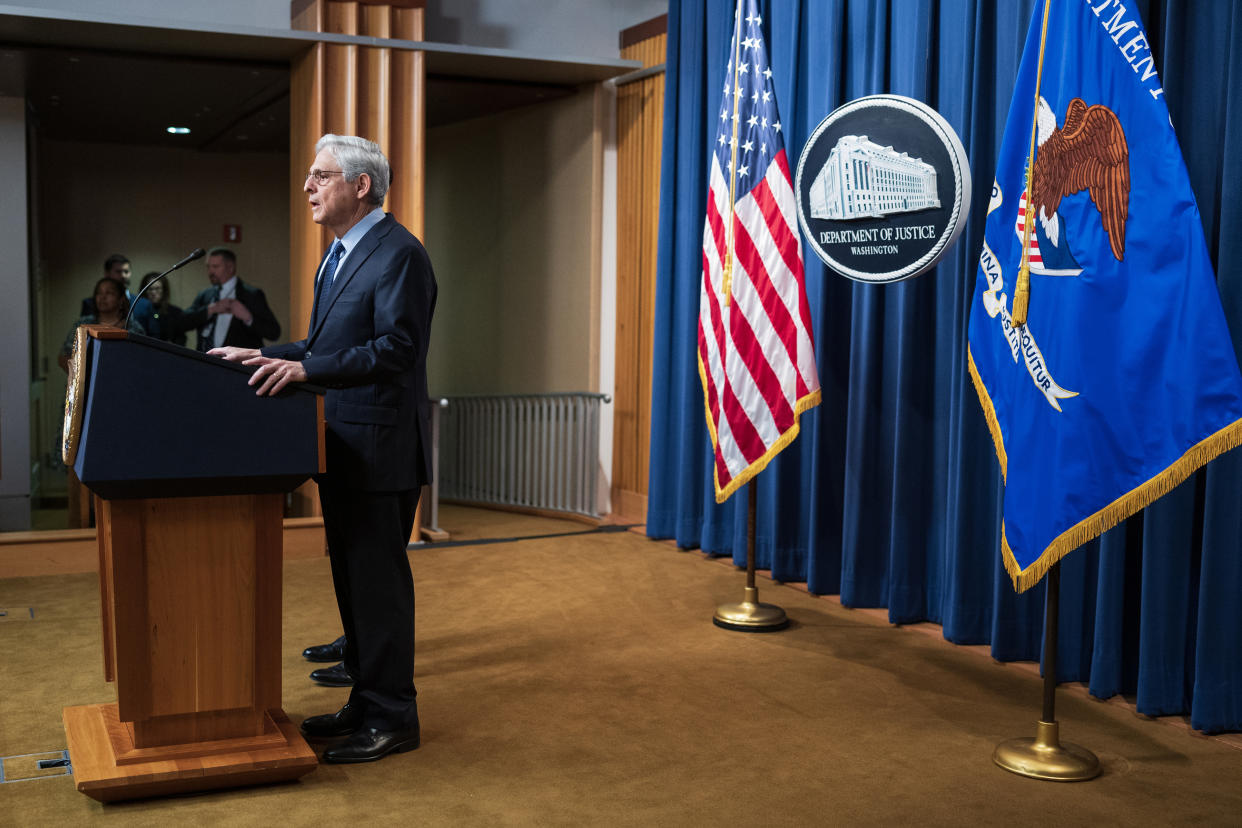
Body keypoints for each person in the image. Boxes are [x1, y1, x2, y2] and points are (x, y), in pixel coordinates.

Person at [211, 134, 436, 764]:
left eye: (320, 176)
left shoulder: (400, 255)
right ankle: (365, 703)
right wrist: (268, 354)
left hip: (380, 445)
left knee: (379, 589)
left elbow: (396, 352)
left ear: (360, 185)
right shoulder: (337, 256)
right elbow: (319, 346)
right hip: (340, 444)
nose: (308, 186)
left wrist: (306, 371)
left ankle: (394, 718)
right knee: (353, 584)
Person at [179, 248, 281, 352]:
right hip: (205, 361)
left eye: (215, 267)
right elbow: (182, 323)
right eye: (208, 267)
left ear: (230, 267)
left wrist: (248, 317)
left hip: (237, 364)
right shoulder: (206, 295)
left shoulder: (251, 294)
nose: (210, 271)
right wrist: (210, 310)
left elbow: (273, 332)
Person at [59, 276, 146, 372]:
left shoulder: (133, 327)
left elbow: (142, 360)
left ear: (121, 299)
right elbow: (65, 356)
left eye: (109, 293)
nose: (102, 297)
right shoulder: (83, 324)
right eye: (99, 293)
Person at [80, 254, 155, 334]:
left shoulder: (144, 304)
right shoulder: (90, 304)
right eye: (118, 272)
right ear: (107, 274)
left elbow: (152, 337)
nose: (123, 276)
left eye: (126, 271)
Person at [138, 271, 187, 346]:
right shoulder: (138, 312)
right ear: (144, 291)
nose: (153, 292)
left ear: (164, 290)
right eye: (150, 289)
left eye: (157, 289)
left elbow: (181, 339)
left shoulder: (175, 313)